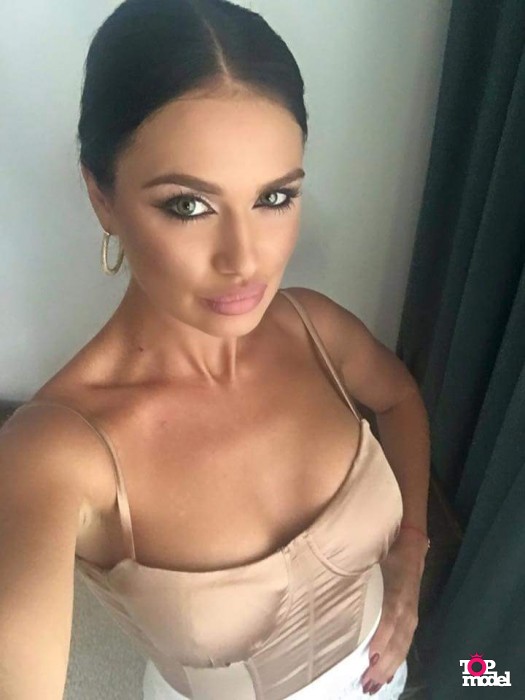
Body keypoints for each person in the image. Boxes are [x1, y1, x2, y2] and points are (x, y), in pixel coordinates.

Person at [0, 1, 431, 698]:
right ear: (102, 197)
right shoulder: (55, 451)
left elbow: (400, 397)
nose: (244, 260)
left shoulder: (315, 328)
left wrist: (410, 551)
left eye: (274, 198)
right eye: (188, 205)